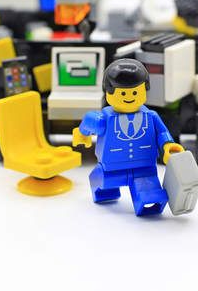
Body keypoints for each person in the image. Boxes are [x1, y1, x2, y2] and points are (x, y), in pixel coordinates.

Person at [72, 59, 184, 216]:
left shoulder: (150, 116)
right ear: (108, 92)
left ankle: (146, 201)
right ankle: (105, 191)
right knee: (104, 184)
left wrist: (167, 145)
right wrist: (82, 135)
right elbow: (88, 124)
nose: (129, 96)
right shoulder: (104, 118)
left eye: (135, 92)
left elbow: (162, 133)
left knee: (150, 194)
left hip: (144, 167)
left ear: (145, 90)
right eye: (123, 93)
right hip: (111, 167)